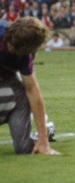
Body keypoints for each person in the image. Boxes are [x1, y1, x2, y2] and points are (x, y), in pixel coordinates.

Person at [0, 17, 59, 155]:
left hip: (8, 79)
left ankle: (43, 132)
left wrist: (44, 142)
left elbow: (32, 90)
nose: (10, 49)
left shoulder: (25, 55)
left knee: (25, 149)